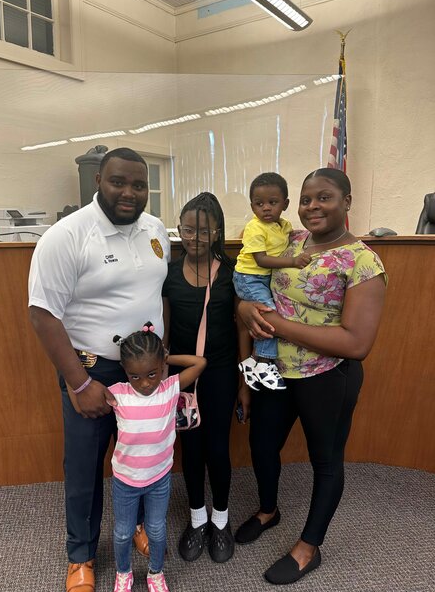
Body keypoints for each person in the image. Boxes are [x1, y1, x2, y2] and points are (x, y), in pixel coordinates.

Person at [28, 147, 170, 592]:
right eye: (118, 182)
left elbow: (157, 291)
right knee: (86, 466)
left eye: (139, 184)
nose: (129, 193)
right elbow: (42, 315)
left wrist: (163, 362)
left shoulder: (156, 230)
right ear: (98, 182)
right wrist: (80, 381)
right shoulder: (66, 236)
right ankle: (82, 554)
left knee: (147, 457)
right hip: (94, 371)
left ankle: (143, 528)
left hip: (148, 373)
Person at [236, 168, 387, 585]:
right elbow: (256, 287)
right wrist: (246, 310)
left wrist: (277, 326)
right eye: (305, 199)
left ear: (347, 202)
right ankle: (269, 510)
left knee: (326, 461)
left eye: (324, 197)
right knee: (262, 445)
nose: (312, 206)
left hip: (326, 376)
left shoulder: (363, 262)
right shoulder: (291, 240)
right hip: (276, 371)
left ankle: (308, 548)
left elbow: (357, 344)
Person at [162, 192, 239, 564]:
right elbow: (163, 326)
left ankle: (220, 521)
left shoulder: (233, 271)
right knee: (190, 449)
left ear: (217, 233)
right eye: (187, 230)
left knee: (219, 448)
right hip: (181, 375)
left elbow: (242, 327)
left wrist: (243, 380)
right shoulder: (169, 272)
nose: (193, 238)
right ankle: (197, 519)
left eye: (203, 231)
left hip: (222, 371)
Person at [108, 322, 206, 592]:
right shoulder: (117, 393)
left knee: (157, 530)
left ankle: (155, 573)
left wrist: (166, 357)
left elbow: (200, 363)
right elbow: (85, 388)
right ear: (125, 373)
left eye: (152, 374)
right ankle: (123, 573)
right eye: (135, 377)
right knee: (123, 532)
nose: (145, 384)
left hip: (159, 480)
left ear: (162, 368)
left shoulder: (170, 388)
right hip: (125, 482)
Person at [233, 173, 310, 391]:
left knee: (268, 313)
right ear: (252, 206)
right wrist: (293, 261)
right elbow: (261, 259)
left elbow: (292, 236)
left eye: (272, 203)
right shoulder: (254, 228)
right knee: (269, 314)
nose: (266, 208)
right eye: (259, 204)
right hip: (250, 278)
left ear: (285, 204)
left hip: (263, 278)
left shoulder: (283, 226)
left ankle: (253, 363)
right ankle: (264, 362)